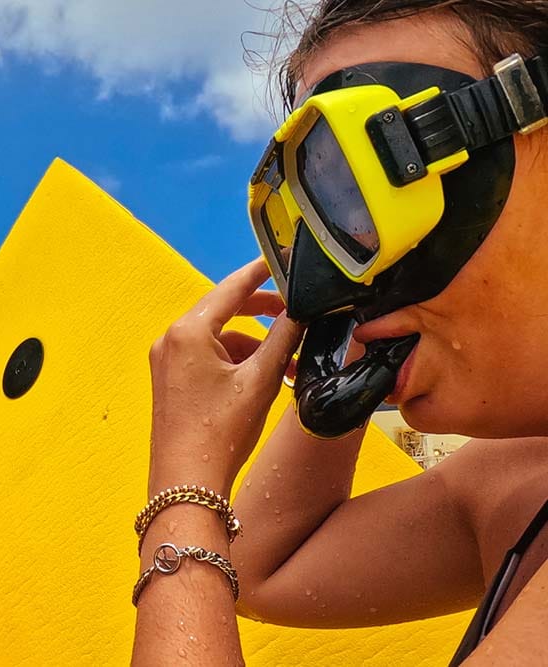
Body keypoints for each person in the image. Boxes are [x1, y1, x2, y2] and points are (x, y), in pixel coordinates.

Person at [133, 0, 548, 664]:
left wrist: (182, 474)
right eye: (304, 228)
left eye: (372, 178)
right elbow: (266, 563)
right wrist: (338, 365)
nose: (318, 287)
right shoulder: (519, 481)